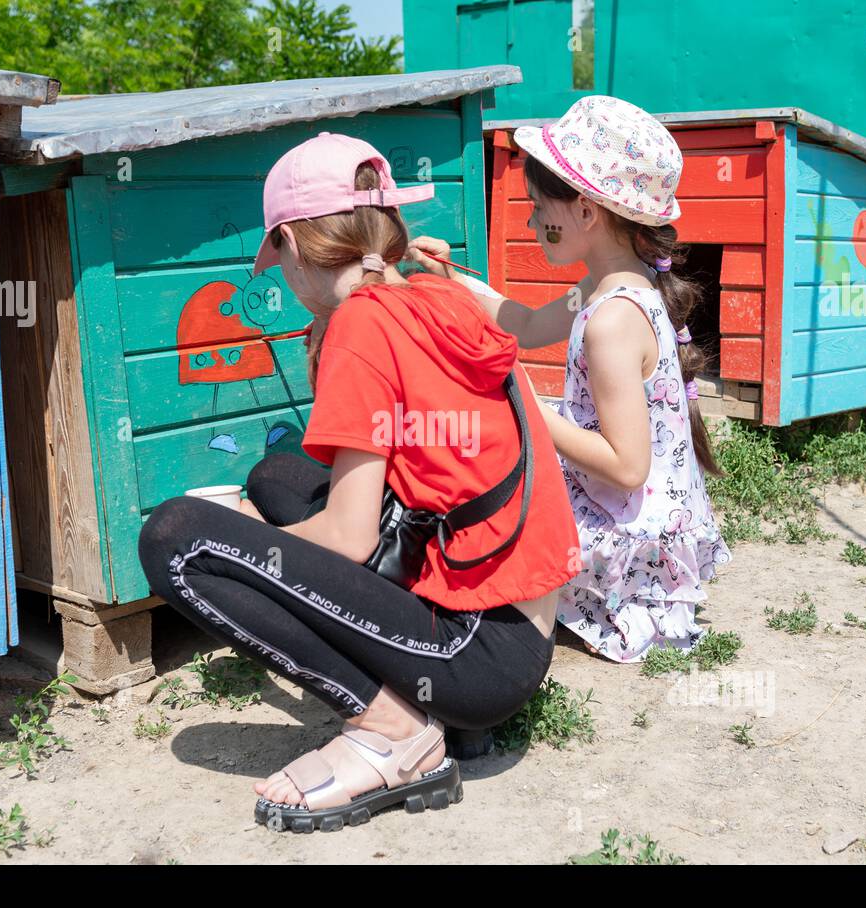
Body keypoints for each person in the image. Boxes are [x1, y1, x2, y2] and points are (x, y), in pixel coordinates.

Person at [138, 132, 580, 832]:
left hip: (473, 654)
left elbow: (348, 536)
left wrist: (248, 539)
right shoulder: (437, 292)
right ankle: (446, 716)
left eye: (277, 261)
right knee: (278, 475)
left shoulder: (361, 327)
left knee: (178, 539)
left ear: (288, 240)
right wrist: (266, 516)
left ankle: (393, 732)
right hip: (522, 632)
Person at [410, 96, 730, 663]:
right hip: (627, 511)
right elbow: (528, 325)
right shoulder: (613, 285)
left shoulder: (612, 319)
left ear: (585, 210)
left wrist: (530, 408)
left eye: (538, 207)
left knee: (483, 519)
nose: (533, 221)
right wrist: (447, 279)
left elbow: (628, 468)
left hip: (621, 534)